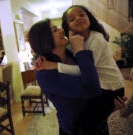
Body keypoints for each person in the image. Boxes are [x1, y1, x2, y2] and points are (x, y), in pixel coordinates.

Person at [36, 5, 125, 134]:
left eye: (82, 15)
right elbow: (88, 80)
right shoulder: (46, 72)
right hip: (72, 126)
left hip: (110, 86)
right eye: (55, 29)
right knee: (88, 124)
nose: (78, 18)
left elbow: (87, 71)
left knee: (91, 124)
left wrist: (56, 65)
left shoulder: (93, 40)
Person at [28, 18, 101, 135]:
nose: (62, 30)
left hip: (94, 119)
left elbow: (94, 73)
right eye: (55, 30)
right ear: (45, 40)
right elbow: (93, 89)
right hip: (74, 128)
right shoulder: (44, 73)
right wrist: (80, 51)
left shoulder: (69, 54)